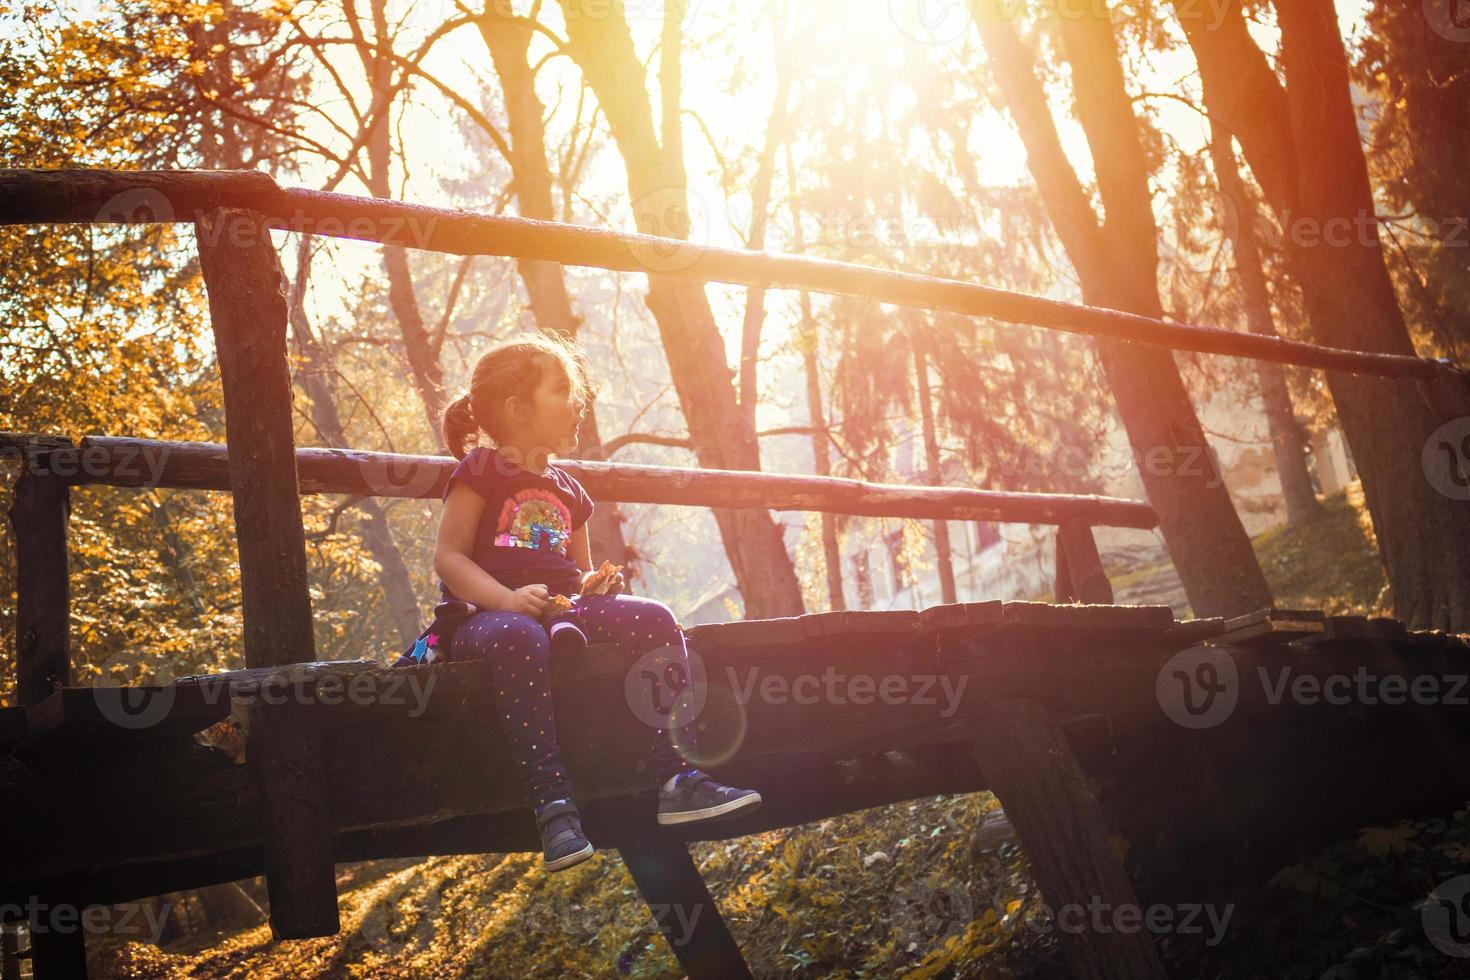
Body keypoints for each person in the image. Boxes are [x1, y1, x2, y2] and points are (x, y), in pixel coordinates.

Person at [408, 332, 761, 872]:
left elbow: (573, 572)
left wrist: (592, 589)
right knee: (520, 635)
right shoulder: (479, 470)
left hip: (560, 611)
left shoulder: (571, 490)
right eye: (563, 391)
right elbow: (450, 559)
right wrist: (507, 600)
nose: (579, 404)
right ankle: (553, 806)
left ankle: (677, 778)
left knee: (656, 617)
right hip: (484, 619)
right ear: (518, 410)